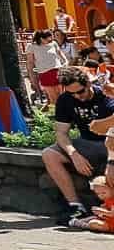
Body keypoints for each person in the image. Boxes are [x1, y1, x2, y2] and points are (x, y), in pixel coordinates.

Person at [43, 66, 114, 224]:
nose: (77, 96)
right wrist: (74, 154)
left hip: (109, 143)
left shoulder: (106, 96)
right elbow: (61, 133)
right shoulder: (65, 100)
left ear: (88, 84)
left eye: (80, 92)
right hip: (86, 143)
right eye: (71, 93)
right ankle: (76, 206)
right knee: (49, 154)